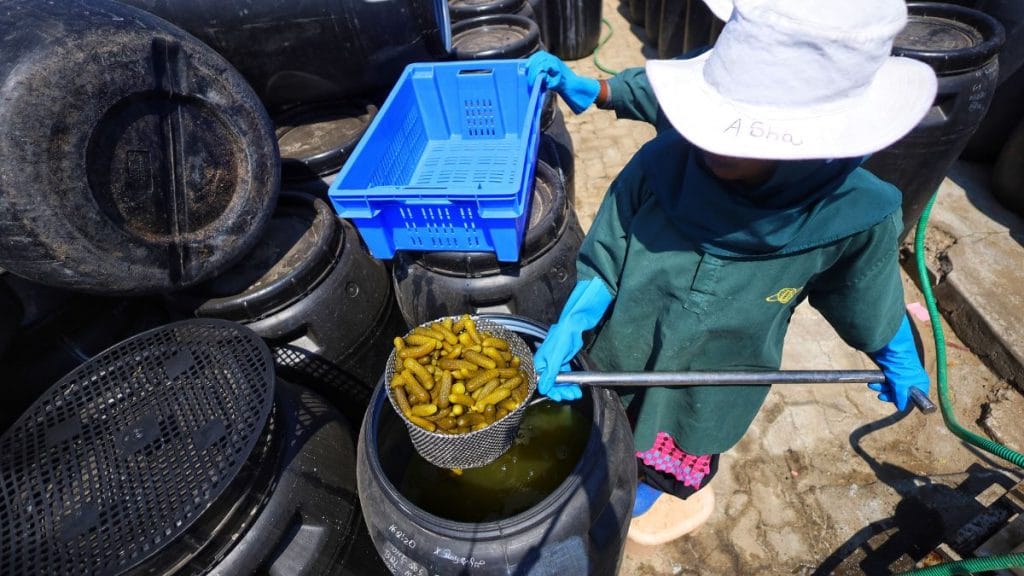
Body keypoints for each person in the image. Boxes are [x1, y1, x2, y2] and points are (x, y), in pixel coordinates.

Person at [528, 0, 937, 546]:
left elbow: (866, 295)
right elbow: (606, 259)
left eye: (736, 137)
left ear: (816, 136)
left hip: (717, 383)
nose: (707, 144)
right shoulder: (658, 166)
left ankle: (641, 499)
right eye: (704, 122)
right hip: (622, 354)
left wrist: (896, 354)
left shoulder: (857, 214)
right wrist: (571, 325)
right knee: (611, 430)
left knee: (668, 456)